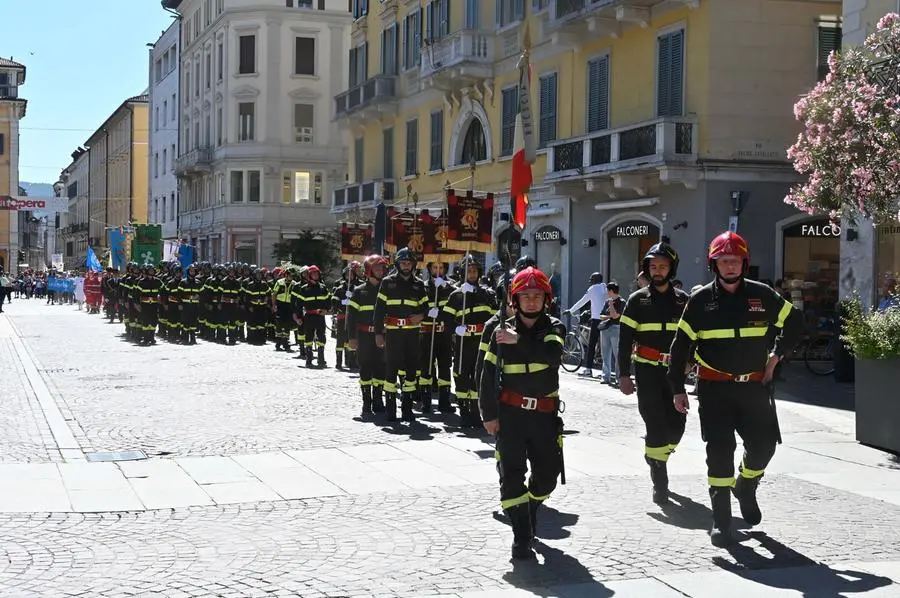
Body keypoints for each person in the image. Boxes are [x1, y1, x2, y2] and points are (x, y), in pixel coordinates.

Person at [668, 231, 803, 547]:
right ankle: (722, 519)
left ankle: (746, 484)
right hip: (715, 390)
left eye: (736, 260)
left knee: (764, 447)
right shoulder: (700, 301)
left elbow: (795, 322)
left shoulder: (763, 295)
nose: (730, 266)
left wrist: (775, 357)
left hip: (755, 387)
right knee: (719, 451)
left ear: (745, 262)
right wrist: (677, 388)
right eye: (724, 261)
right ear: (714, 264)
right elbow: (680, 345)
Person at [479, 266, 566, 560]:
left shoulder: (554, 327)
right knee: (511, 476)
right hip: (511, 415)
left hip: (544, 416)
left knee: (548, 476)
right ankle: (521, 536)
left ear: (546, 299)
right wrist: (489, 415)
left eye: (536, 295)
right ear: (514, 300)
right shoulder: (499, 332)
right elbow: (486, 375)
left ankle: (529, 509)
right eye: (524, 295)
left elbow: (553, 355)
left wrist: (520, 341)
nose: (531, 300)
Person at [617, 242, 690, 504]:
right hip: (647, 374)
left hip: (674, 376)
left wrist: (691, 362)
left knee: (677, 428)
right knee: (656, 426)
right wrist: (624, 374)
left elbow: (695, 338)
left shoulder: (683, 301)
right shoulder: (637, 300)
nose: (657, 270)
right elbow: (625, 340)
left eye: (662, 266)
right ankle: (660, 481)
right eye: (653, 266)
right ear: (646, 269)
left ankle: (655, 456)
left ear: (671, 269)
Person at [373, 248, 428, 422]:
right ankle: (390, 409)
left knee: (411, 371)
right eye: (403, 262)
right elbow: (379, 309)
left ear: (413, 265)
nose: (406, 266)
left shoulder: (419, 284)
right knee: (391, 369)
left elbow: (425, 307)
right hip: (393, 334)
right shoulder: (387, 283)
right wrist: (378, 333)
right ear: (397, 264)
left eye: (409, 263)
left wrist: (422, 315)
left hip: (412, 334)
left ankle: (407, 408)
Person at [443, 256, 497, 427]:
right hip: (463, 342)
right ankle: (463, 410)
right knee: (461, 374)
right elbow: (446, 320)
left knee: (478, 375)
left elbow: (495, 319)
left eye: (474, 271)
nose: (472, 274)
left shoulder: (488, 294)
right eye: (468, 271)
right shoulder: (456, 296)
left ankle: (475, 411)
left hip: (481, 342)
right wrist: (455, 329)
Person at [563, 272, 607, 378]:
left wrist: (571, 310)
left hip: (596, 319)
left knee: (591, 345)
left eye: (592, 281)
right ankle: (607, 371)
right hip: (606, 319)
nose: (590, 283)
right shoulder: (605, 288)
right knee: (606, 346)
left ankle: (588, 370)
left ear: (595, 281)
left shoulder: (593, 289)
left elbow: (582, 301)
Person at [598, 282, 624, 385]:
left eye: (607, 291)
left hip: (616, 329)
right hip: (606, 329)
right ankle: (605, 377)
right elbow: (601, 315)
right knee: (605, 354)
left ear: (611, 291)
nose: (606, 293)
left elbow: (615, 316)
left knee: (617, 354)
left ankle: (619, 378)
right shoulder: (606, 302)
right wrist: (608, 316)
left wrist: (611, 305)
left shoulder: (621, 302)